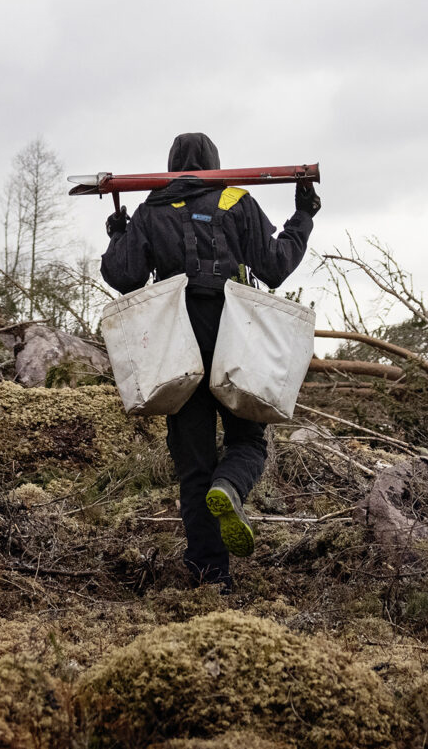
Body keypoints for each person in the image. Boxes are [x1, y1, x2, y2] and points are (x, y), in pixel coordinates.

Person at [99, 131, 316, 589]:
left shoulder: (152, 208)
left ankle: (210, 576)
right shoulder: (237, 199)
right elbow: (275, 266)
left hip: (178, 336)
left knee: (194, 465)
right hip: (235, 332)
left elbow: (124, 277)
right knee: (249, 442)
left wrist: (119, 234)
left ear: (171, 165)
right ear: (217, 163)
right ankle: (231, 487)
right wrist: (303, 216)